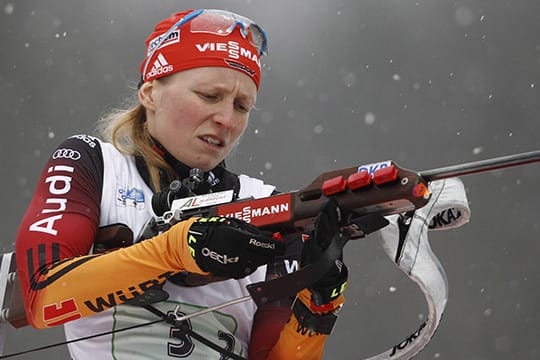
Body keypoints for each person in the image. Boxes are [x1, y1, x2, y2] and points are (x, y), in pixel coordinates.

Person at [15, 9, 348, 359]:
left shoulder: (267, 202)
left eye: (242, 105)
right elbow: (43, 296)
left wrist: (319, 306)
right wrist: (176, 250)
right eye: (209, 96)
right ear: (150, 92)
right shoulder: (94, 163)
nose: (226, 119)